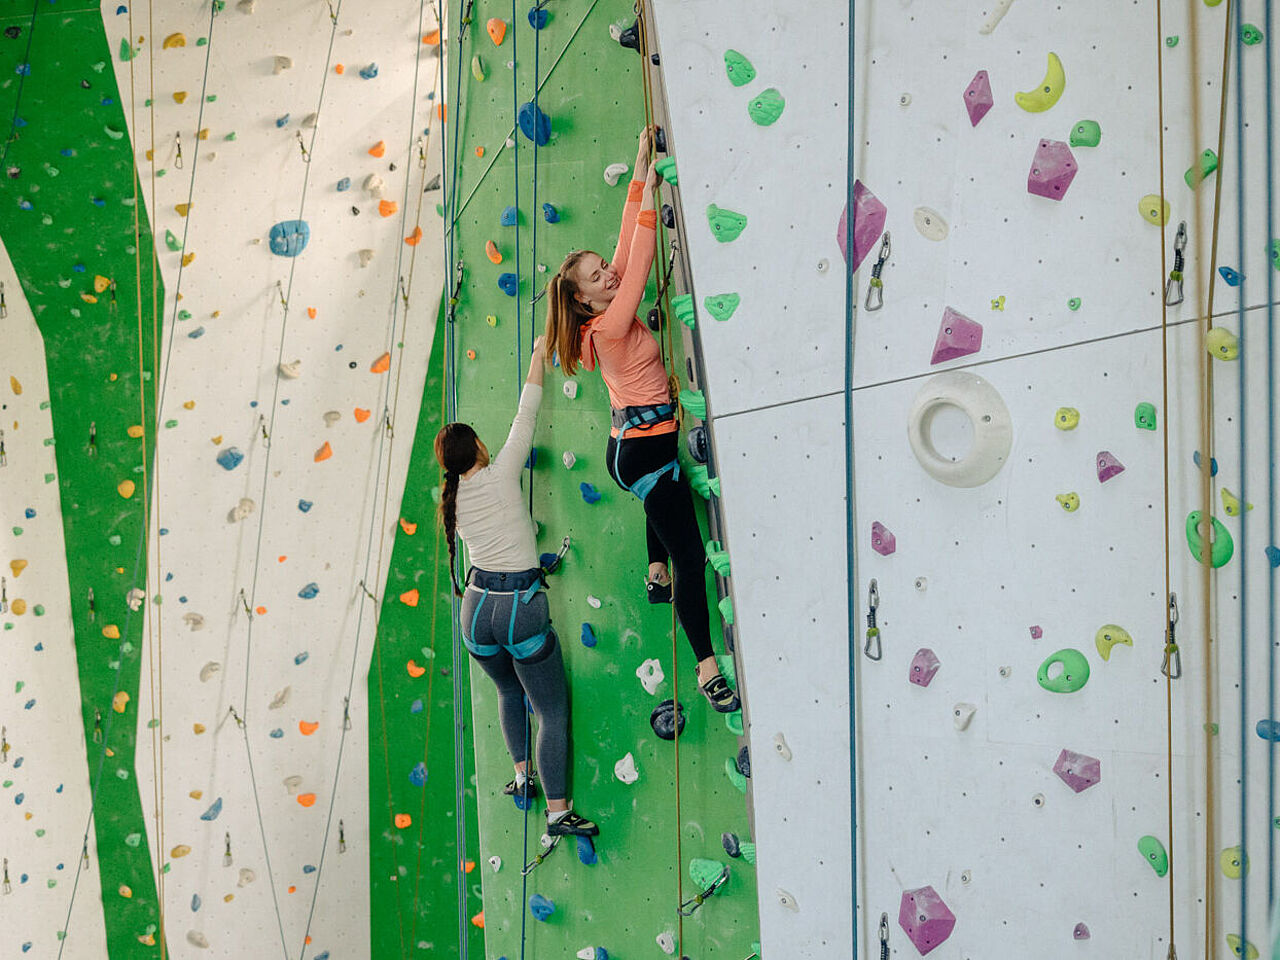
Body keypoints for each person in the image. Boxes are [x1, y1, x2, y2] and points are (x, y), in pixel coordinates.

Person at [542, 128, 740, 714]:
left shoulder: (602, 307)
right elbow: (645, 252)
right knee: (693, 556)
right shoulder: (609, 323)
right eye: (597, 276)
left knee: (663, 507)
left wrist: (638, 165)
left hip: (631, 446)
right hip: (644, 455)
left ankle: (653, 574)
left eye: (604, 268)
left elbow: (628, 242)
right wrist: (653, 187)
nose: (609, 272)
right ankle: (706, 667)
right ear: (584, 300)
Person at [435, 336, 597, 837]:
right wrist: (537, 351)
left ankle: (522, 777)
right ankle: (558, 812)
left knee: (509, 689)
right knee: (551, 710)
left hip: (477, 610)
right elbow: (527, 410)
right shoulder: (502, 471)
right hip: (520, 607)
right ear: (479, 448)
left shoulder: (452, 500)